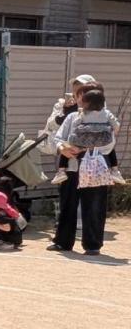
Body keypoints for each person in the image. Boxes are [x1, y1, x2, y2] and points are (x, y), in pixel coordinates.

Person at [50, 88, 120, 255]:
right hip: (72, 168)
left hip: (96, 169)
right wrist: (63, 148)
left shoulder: (105, 118)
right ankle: (63, 242)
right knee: (68, 205)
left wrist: (85, 148)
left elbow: (110, 145)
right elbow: (58, 138)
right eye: (79, 95)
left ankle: (93, 245)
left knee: (95, 206)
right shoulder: (72, 117)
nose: (80, 99)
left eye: (83, 96)